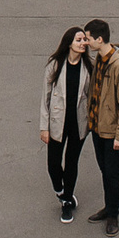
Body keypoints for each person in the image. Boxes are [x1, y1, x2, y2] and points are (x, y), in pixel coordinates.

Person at [83, 18, 119, 236]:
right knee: (105, 170)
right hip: (97, 127)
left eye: (88, 39)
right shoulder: (99, 60)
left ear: (99, 39)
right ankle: (108, 206)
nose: (86, 42)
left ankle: (113, 214)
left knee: (113, 173)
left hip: (111, 131)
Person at [40, 27, 91, 223]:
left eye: (85, 40)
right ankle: (60, 191)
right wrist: (43, 127)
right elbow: (45, 98)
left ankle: (67, 201)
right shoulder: (55, 65)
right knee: (53, 163)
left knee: (71, 162)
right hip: (56, 123)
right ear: (69, 42)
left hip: (78, 123)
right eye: (79, 39)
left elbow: (90, 96)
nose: (83, 43)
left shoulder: (88, 67)